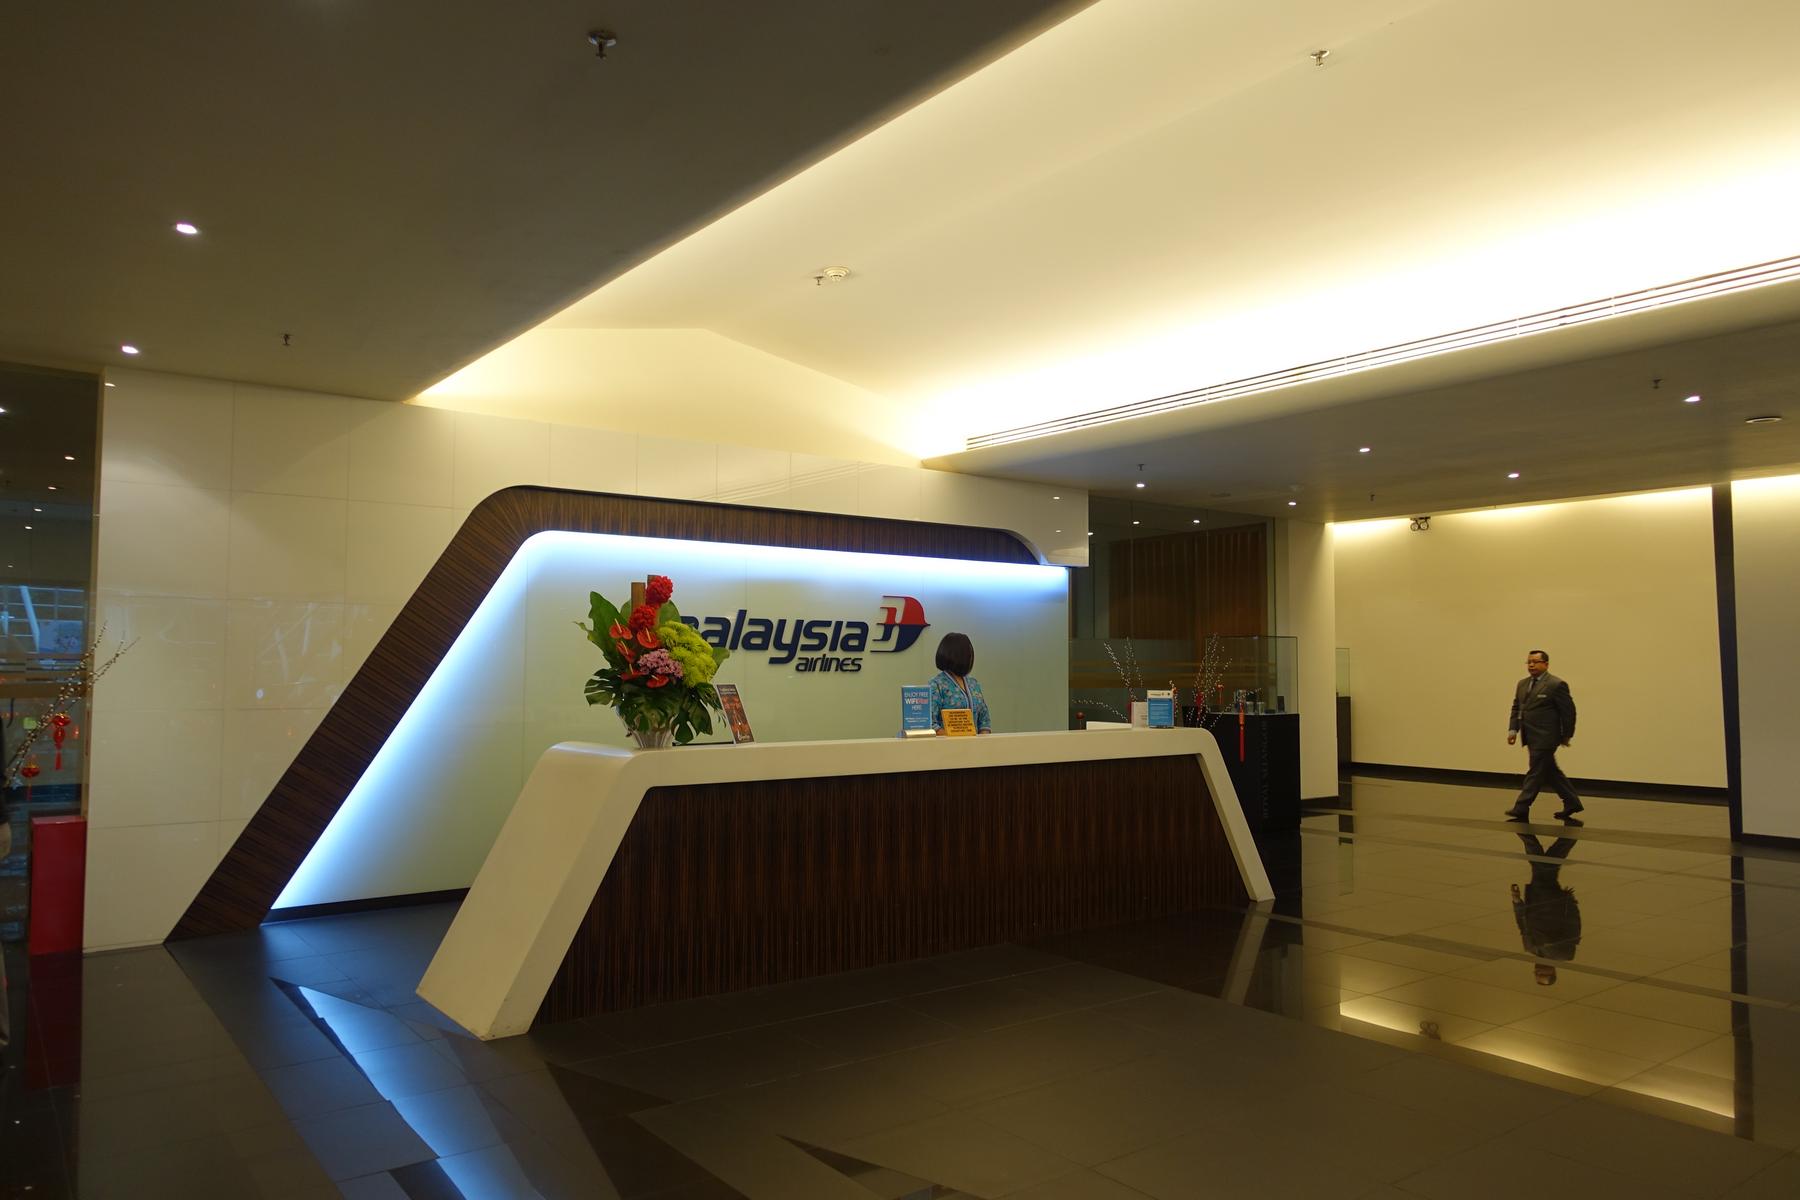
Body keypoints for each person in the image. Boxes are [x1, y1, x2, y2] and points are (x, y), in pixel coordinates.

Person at [1504, 649, 1584, 824]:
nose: (1531, 665)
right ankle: (1572, 802)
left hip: (1547, 737)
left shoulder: (1556, 684)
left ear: (1546, 664)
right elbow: (1517, 707)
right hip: (1530, 735)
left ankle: (1522, 806)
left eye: (1535, 662)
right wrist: (1513, 730)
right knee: (1550, 771)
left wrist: (1566, 735)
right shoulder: (1522, 684)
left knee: (1535, 771)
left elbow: (1568, 712)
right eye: (1529, 662)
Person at [1511, 832, 1582, 984]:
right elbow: (1572, 926)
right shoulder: (1563, 954)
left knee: (1543, 866)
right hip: (1551, 900)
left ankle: (1571, 833)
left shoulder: (1531, 949)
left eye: (1536, 973)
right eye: (1542, 973)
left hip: (1535, 898)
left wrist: (1517, 901)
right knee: (1541, 866)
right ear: (1553, 971)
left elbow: (1522, 925)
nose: (1538, 970)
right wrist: (1568, 901)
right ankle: (1525, 832)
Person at [928, 632, 991, 734]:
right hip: (946, 747)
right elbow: (930, 722)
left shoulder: (973, 684)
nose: (971, 656)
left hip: (976, 747)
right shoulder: (936, 685)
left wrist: (982, 740)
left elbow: (984, 719)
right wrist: (954, 740)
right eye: (968, 653)